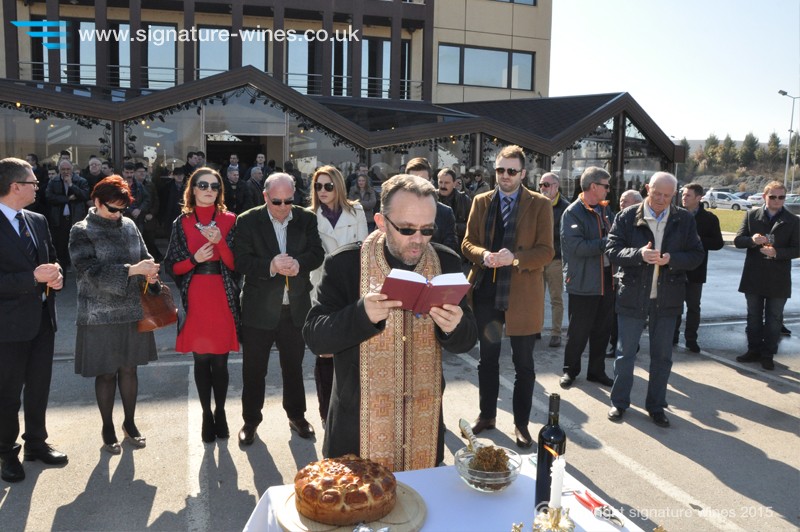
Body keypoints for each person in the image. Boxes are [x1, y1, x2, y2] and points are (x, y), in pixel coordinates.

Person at [303, 174, 477, 470]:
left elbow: (467, 339)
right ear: (381, 222)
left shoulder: (446, 262)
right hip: (354, 433)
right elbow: (315, 337)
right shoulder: (345, 264)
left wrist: (454, 325)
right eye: (407, 229)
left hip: (424, 426)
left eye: (428, 229)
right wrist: (361, 315)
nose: (419, 239)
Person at [461, 145, 554, 448]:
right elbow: (467, 243)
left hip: (523, 297)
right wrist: (484, 254)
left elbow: (547, 252)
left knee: (523, 364)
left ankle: (521, 425)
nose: (504, 176)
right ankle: (487, 415)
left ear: (523, 173)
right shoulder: (481, 201)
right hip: (487, 292)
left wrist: (515, 257)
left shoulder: (539, 204)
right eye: (500, 170)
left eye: (511, 171)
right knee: (487, 361)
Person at [68, 175, 161, 453]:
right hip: (99, 315)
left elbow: (145, 255)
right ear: (96, 202)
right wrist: (132, 270)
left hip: (133, 310)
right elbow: (88, 271)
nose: (118, 215)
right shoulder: (81, 229)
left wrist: (152, 273)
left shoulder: (130, 225)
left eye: (122, 209)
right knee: (107, 374)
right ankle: (107, 426)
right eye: (112, 208)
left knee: (129, 370)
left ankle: (129, 423)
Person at [605, 172, 703, 427]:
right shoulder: (627, 216)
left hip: (667, 298)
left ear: (674, 195)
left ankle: (656, 406)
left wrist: (671, 259)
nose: (661, 200)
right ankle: (619, 403)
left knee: (662, 357)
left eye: (667, 196)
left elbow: (696, 255)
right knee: (625, 355)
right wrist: (639, 254)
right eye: (656, 193)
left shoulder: (683, 219)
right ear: (647, 188)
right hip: (633, 295)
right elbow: (611, 250)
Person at [233, 173, 324, 445]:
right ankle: (250, 421)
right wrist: (271, 266)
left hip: (295, 308)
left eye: (288, 200)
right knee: (253, 369)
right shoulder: (248, 220)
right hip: (258, 309)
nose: (283, 207)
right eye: (277, 201)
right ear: (265, 197)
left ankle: (297, 416)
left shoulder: (306, 218)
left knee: (293, 367)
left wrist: (299, 264)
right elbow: (240, 261)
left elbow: (317, 253)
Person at [0, 158, 67, 483]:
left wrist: (56, 276)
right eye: (32, 182)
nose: (37, 186)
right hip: (8, 327)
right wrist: (32, 277)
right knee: (8, 393)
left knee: (39, 387)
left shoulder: (37, 220)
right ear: (15, 187)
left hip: (42, 320)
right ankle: (6, 453)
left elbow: (51, 259)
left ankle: (36, 445)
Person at [164, 168, 240, 442]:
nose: (209, 189)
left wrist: (220, 243)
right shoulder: (181, 222)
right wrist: (195, 259)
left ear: (220, 191)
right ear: (193, 189)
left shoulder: (230, 219)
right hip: (195, 294)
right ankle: (206, 415)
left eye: (214, 186)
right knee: (201, 360)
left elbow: (235, 265)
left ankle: (220, 411)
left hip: (222, 295)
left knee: (220, 362)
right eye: (203, 185)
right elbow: (171, 266)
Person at [308, 165, 368, 428]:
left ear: (338, 186)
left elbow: (365, 249)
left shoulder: (356, 211)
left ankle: (354, 410)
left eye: (328, 186)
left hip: (352, 287)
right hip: (322, 287)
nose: (322, 191)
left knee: (355, 354)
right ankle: (325, 412)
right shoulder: (309, 216)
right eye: (318, 186)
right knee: (325, 353)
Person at [559, 167, 615, 389]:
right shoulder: (572, 212)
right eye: (606, 186)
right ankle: (570, 371)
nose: (608, 190)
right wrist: (607, 243)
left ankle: (596, 371)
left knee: (602, 330)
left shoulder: (605, 210)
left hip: (607, 280)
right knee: (578, 332)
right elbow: (576, 247)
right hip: (583, 282)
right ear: (594, 186)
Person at [734, 181, 799, 370]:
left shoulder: (793, 220)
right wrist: (752, 241)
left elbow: (797, 249)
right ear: (764, 197)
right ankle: (753, 350)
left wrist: (777, 253)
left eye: (781, 197)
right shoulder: (752, 215)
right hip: (753, 276)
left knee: (774, 318)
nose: (777, 200)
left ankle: (767, 354)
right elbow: (738, 240)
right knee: (753, 316)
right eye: (773, 197)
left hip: (778, 279)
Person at [673, 183, 724, 353]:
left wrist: (698, 240)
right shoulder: (674, 214)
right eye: (683, 195)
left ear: (698, 198)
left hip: (696, 270)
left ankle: (691, 339)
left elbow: (718, 243)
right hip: (675, 267)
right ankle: (672, 336)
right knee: (674, 305)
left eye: (688, 195)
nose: (684, 198)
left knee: (693, 306)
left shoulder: (709, 218)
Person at [607, 189, 643, 357]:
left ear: (636, 203)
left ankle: (631, 346)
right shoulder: (618, 219)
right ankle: (615, 345)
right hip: (616, 275)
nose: (622, 204)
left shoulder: (641, 223)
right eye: (621, 200)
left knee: (632, 317)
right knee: (615, 315)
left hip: (636, 278)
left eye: (626, 201)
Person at [538, 172, 570, 348]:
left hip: (555, 259)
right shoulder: (537, 203)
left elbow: (566, 236)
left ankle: (556, 333)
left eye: (546, 185)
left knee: (556, 298)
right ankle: (536, 328)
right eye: (541, 184)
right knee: (535, 296)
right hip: (537, 259)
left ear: (556, 187)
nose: (543, 188)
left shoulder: (565, 207)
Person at [405, 157, 459, 254]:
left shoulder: (445, 213)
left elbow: (450, 250)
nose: (418, 185)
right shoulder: (393, 209)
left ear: (430, 182)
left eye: (423, 181)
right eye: (412, 180)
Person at [45, 159, 89, 269]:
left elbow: (84, 195)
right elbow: (49, 197)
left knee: (78, 246)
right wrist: (67, 199)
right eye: (63, 169)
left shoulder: (80, 180)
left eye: (68, 169)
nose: (65, 172)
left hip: (75, 218)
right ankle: (62, 272)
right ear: (59, 170)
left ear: (72, 169)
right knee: (60, 248)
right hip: (59, 219)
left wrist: (71, 185)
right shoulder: (53, 181)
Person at [436, 168, 472, 259]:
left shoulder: (464, 200)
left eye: (447, 183)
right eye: (440, 182)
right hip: (434, 249)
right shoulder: (431, 198)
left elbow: (472, 226)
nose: (443, 186)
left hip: (458, 251)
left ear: (454, 183)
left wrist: (452, 226)